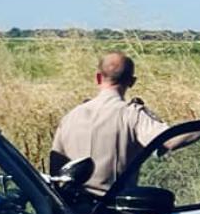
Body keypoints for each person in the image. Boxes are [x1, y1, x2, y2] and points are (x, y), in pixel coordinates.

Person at [49, 53, 175, 195]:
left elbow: (55, 169)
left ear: (98, 77)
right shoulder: (132, 115)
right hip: (113, 210)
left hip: (71, 209)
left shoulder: (70, 117)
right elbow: (169, 141)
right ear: (132, 81)